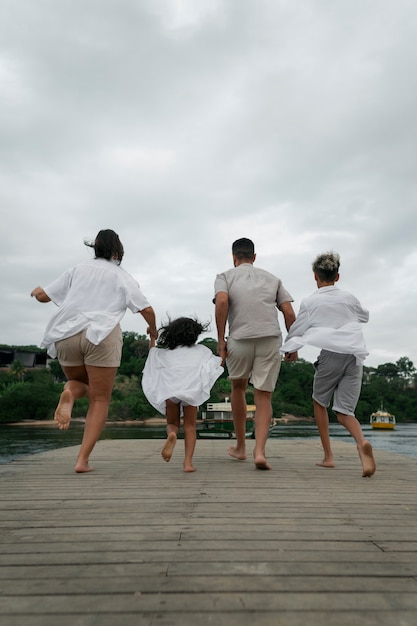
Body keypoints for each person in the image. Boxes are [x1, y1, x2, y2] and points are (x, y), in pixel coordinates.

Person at [31, 229, 158, 473]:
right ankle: (82, 460)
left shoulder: (77, 269)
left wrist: (36, 293)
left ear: (95, 248)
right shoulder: (122, 276)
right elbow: (147, 310)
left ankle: (68, 391)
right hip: (101, 334)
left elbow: (45, 296)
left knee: (78, 382)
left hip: (66, 334)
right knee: (99, 399)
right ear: (117, 251)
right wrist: (153, 331)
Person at [280, 251, 376, 477]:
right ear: (337, 277)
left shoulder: (311, 301)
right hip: (355, 355)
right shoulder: (349, 298)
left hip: (332, 355)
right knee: (344, 412)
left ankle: (328, 457)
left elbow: (298, 329)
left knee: (319, 402)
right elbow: (365, 317)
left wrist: (290, 349)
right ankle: (361, 442)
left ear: (315, 276)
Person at [214, 238, 297, 470]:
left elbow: (221, 301)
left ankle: (240, 447)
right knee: (263, 396)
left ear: (233, 257)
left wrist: (221, 341)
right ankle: (259, 452)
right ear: (254, 257)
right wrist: (293, 344)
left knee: (238, 387)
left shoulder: (225, 276)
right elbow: (289, 312)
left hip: (240, 338)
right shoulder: (273, 278)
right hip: (270, 337)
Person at [142, 316, 223, 472]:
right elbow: (215, 363)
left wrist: (152, 338)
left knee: (172, 423)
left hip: (169, 393)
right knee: (190, 427)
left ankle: (172, 435)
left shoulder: (165, 353)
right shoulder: (202, 351)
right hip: (191, 394)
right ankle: (187, 463)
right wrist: (223, 351)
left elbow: (152, 353)